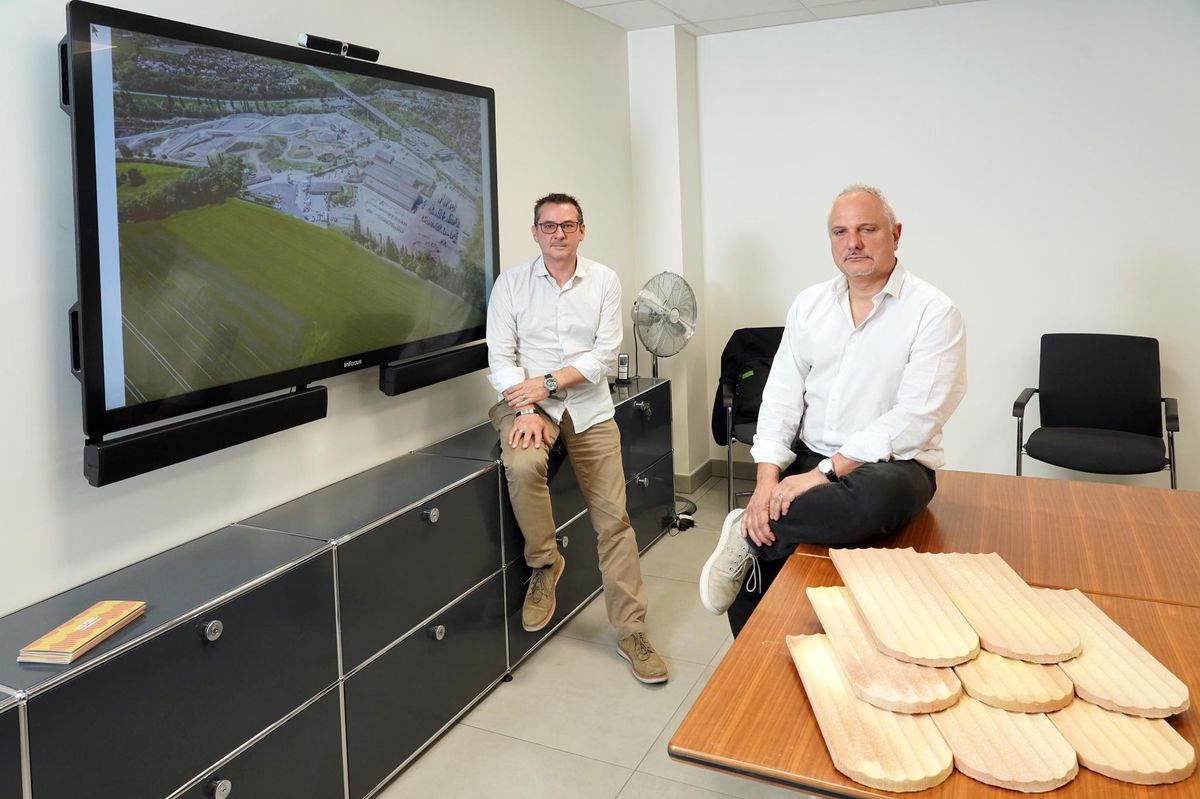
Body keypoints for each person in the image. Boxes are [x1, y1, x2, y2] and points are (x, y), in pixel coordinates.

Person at [699, 185, 967, 636]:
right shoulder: (809, 305)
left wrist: (822, 474)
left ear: (896, 234)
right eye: (840, 232)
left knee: (873, 500)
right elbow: (781, 396)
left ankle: (748, 533)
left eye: (867, 229)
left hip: (890, 468)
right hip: (810, 455)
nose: (853, 243)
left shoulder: (934, 312)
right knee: (756, 587)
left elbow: (917, 416)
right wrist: (766, 481)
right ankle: (756, 556)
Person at [486, 192, 669, 684]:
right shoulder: (511, 285)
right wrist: (525, 406)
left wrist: (546, 382)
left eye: (568, 226)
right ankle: (545, 564)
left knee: (614, 523)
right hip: (529, 406)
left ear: (582, 231)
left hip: (587, 407)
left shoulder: (605, 281)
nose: (559, 234)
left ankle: (631, 633)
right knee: (523, 465)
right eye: (549, 226)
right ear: (535, 233)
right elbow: (500, 358)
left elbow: (604, 357)